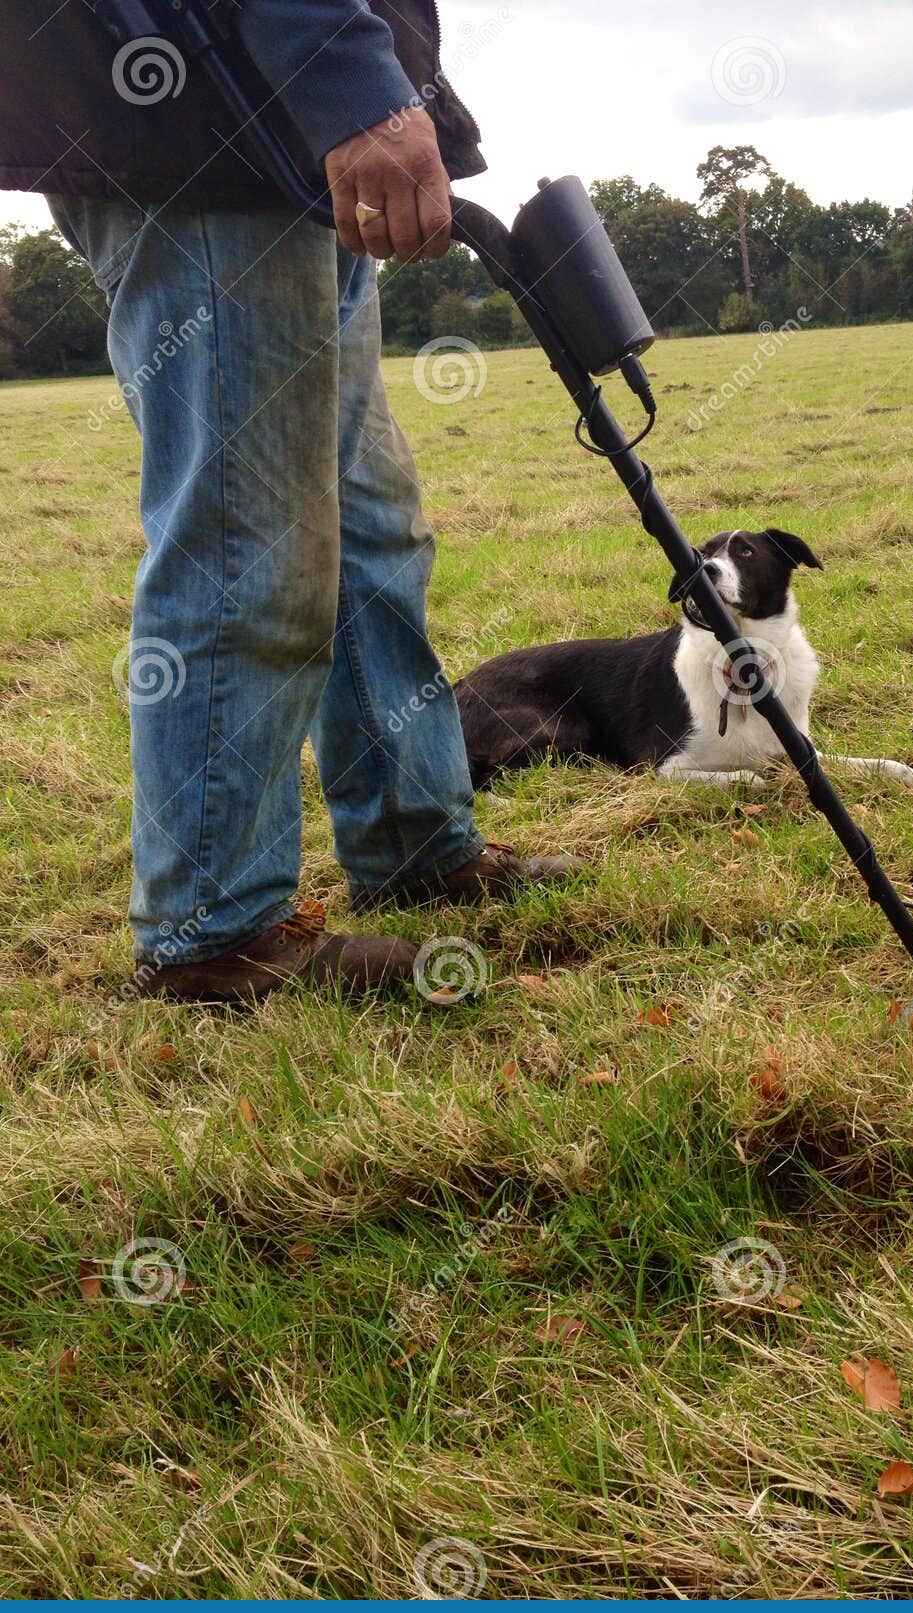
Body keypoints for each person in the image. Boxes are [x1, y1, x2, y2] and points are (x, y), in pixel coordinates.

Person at [0, 0, 582, 1003]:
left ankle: (414, 840)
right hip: (206, 121)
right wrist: (352, 85)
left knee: (369, 527)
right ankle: (215, 931)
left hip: (270, 132)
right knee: (250, 539)